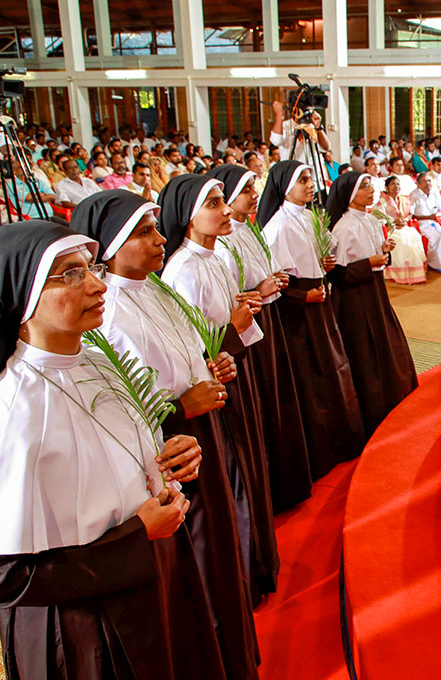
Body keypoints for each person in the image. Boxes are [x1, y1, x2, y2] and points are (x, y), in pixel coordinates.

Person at [0, 220, 226, 679]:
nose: (98, 284)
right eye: (69, 274)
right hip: (84, 627)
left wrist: (167, 455)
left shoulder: (97, 360)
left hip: (149, 576)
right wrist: (137, 537)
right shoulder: (8, 412)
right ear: (21, 294)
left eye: (91, 267)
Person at [69, 191, 260, 678]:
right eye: (144, 232)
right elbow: (119, 411)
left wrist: (213, 360)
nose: (160, 239)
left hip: (201, 432)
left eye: (156, 228)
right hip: (170, 454)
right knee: (197, 555)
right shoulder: (106, 314)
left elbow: (189, 352)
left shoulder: (155, 288)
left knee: (220, 541)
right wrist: (179, 408)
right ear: (110, 246)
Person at [157, 174, 279, 603]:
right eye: (214, 203)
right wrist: (233, 330)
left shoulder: (214, 258)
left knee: (245, 470)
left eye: (223, 201)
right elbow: (193, 352)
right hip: (209, 395)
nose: (227, 210)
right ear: (189, 217)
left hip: (231, 377)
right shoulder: (182, 271)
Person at [208, 164, 313, 512]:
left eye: (255, 189)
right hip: (243, 335)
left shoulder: (248, 230)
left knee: (276, 397)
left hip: (265, 321)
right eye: (246, 190)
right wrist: (259, 289)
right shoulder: (220, 245)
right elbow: (229, 301)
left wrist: (271, 282)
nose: (255, 195)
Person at [257, 161, 367, 475]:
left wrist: (325, 265)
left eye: (309, 178)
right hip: (298, 314)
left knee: (332, 369)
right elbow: (274, 279)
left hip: (318, 300)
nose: (309, 184)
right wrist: (303, 296)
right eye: (302, 180)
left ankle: (341, 438)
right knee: (311, 377)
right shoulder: (277, 226)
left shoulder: (309, 216)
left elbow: (316, 260)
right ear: (284, 187)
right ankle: (320, 450)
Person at [326, 172, 418, 434]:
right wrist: (369, 264)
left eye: (370, 185)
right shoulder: (344, 226)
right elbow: (337, 274)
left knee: (384, 342)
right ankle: (370, 406)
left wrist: (383, 252)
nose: (371, 190)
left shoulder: (372, 219)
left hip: (375, 291)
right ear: (350, 194)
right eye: (363, 186)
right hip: (355, 299)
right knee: (363, 351)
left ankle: (390, 397)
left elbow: (376, 258)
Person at [377, 175, 427, 285]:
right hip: (390, 229)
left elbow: (409, 215)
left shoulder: (404, 200)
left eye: (398, 184)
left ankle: (415, 274)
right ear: (387, 187)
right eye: (393, 184)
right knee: (400, 240)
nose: (396, 186)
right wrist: (394, 221)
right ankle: (400, 274)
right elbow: (379, 217)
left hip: (404, 227)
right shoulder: (382, 201)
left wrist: (404, 220)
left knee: (414, 236)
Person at [409, 172, 441, 273]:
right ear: (418, 184)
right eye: (424, 181)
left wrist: (437, 216)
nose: (427, 183)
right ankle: (436, 264)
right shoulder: (414, 195)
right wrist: (428, 217)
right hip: (422, 224)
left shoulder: (434, 192)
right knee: (436, 237)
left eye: (429, 180)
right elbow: (412, 215)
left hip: (435, 221)